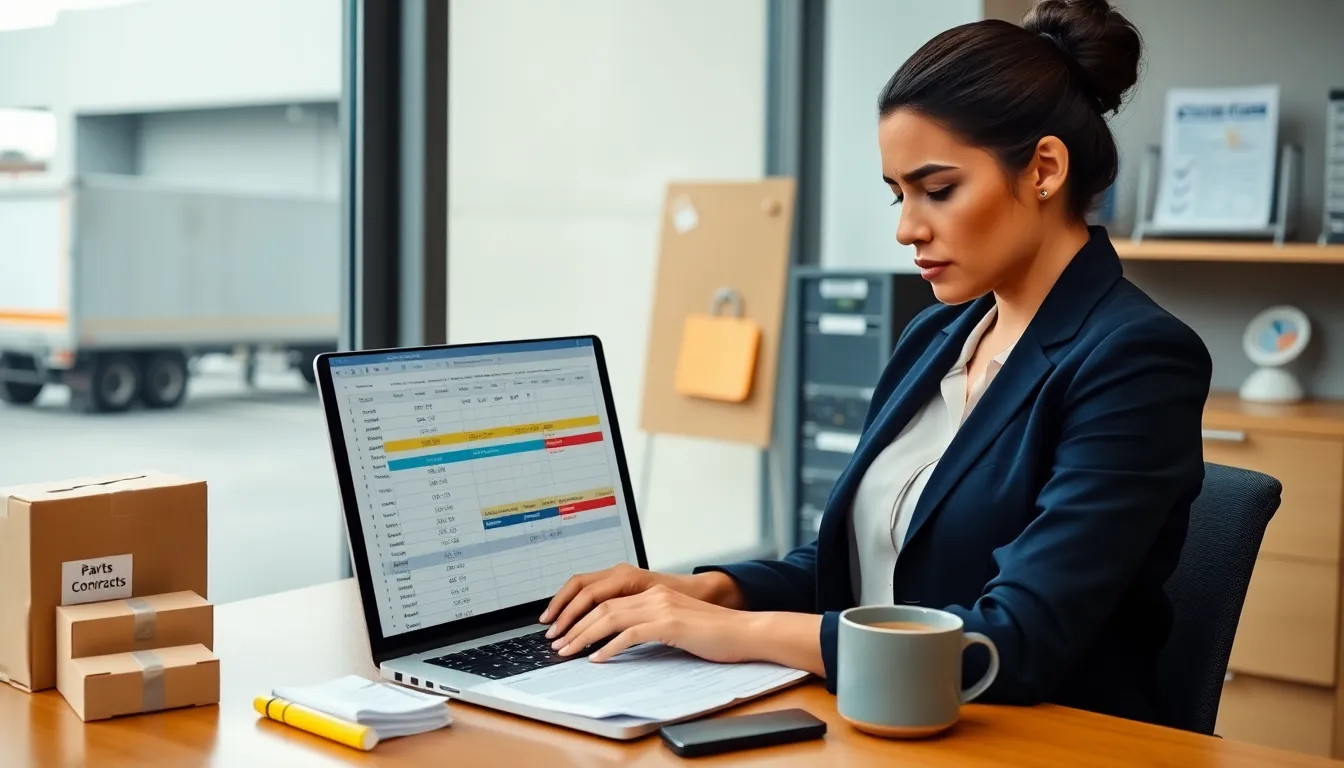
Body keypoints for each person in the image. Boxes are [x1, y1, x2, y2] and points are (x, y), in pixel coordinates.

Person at [541, 0, 1211, 725]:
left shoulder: (1135, 358)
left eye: (938, 189)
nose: (906, 228)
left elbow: (1015, 640)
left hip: (1032, 738)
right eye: (897, 195)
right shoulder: (935, 337)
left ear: (1044, 169)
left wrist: (735, 633)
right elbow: (862, 568)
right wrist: (703, 592)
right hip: (879, 720)